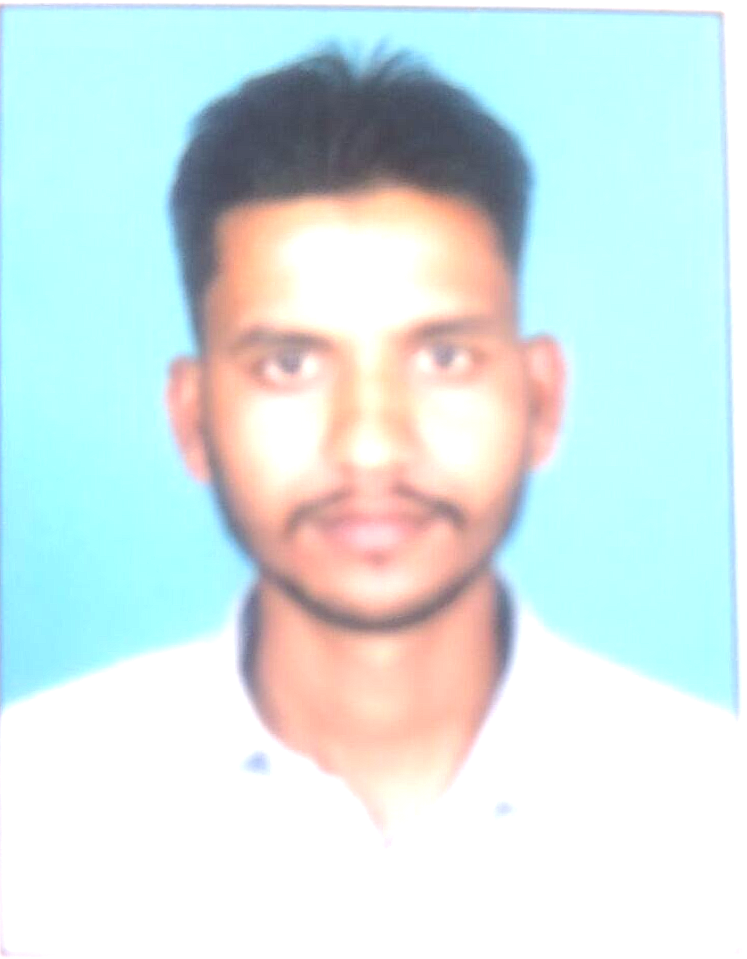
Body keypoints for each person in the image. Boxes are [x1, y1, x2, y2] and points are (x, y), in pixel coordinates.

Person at [1, 50, 740, 958]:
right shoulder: (28, 817)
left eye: (443, 358)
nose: (370, 444)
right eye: (289, 364)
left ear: (542, 398)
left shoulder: (716, 817)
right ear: (191, 418)